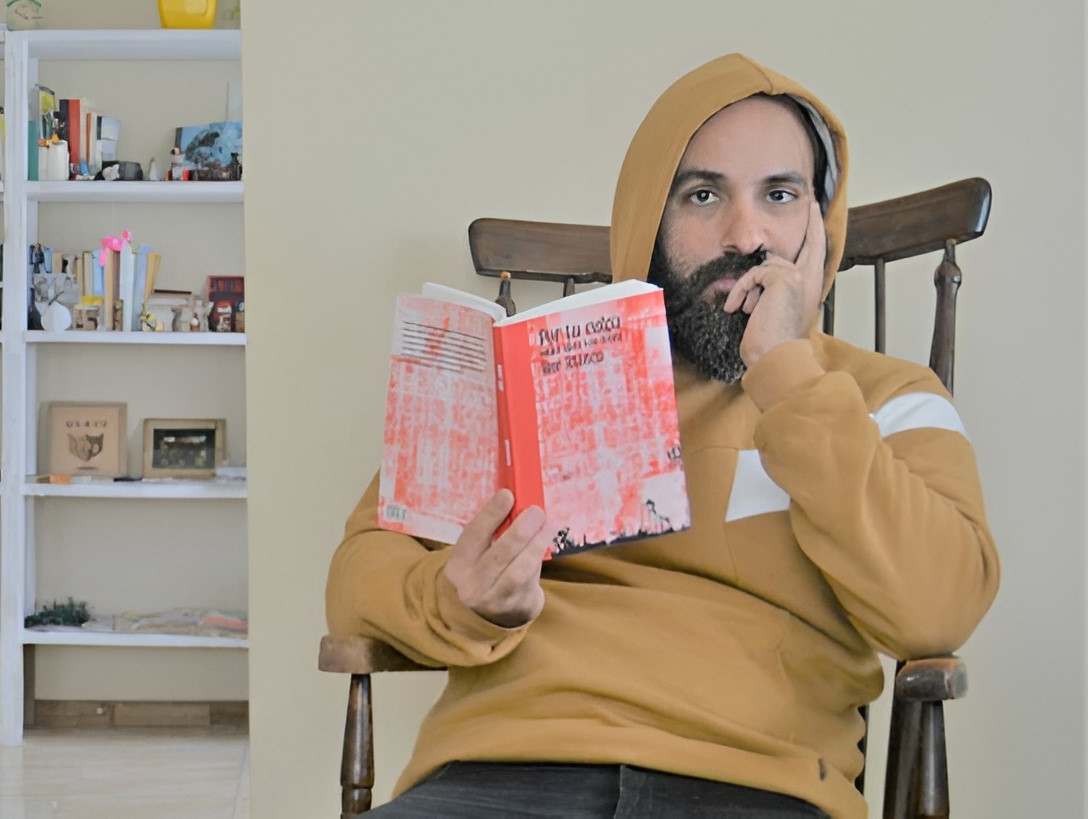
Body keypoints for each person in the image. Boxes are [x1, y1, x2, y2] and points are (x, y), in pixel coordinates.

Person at [326, 53, 1000, 818]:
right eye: (703, 194)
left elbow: (937, 609)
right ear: (652, 217)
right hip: (502, 768)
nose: (746, 233)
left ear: (819, 224)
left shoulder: (888, 400)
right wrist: (457, 601)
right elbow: (359, 571)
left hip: (755, 785)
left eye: (780, 195)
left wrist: (788, 373)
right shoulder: (537, 378)